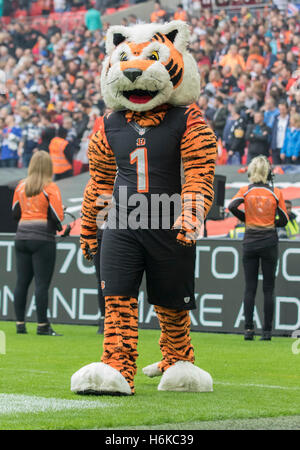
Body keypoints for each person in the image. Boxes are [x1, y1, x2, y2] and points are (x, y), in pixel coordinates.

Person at [228, 155, 289, 341]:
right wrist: (271, 222)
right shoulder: (275, 192)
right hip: (269, 240)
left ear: (251, 171)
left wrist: (246, 219)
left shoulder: (245, 190)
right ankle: (267, 332)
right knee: (268, 288)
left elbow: (232, 206)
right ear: (267, 172)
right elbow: (285, 219)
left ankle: (248, 331)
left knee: (250, 287)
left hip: (250, 241)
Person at [12, 151, 64, 336]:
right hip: (42, 239)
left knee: (21, 282)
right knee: (41, 284)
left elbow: (15, 213)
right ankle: (42, 325)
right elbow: (58, 216)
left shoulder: (20, 186)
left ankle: (20, 324)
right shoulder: (50, 187)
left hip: (22, 237)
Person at [271, 100, 289, 164]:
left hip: (286, 147)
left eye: (283, 109)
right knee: (276, 168)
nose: (281, 111)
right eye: (280, 109)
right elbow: (273, 133)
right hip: (276, 147)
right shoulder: (276, 119)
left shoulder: (290, 119)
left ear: (287, 109)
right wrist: (271, 146)